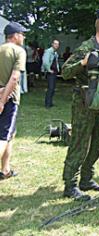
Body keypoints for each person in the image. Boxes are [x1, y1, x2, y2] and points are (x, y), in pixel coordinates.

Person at [61, 9, 99, 201]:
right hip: (83, 103)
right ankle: (70, 185)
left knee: (97, 145)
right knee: (79, 144)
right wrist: (83, 62)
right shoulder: (87, 47)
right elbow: (65, 72)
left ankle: (87, 179)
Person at [0, 22, 28, 180]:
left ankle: (5, 170)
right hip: (9, 99)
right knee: (3, 136)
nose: (23, 37)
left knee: (10, 134)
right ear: (15, 35)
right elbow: (15, 77)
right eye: (22, 34)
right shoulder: (19, 51)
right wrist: (2, 101)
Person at [42, 39, 60, 108]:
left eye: (58, 44)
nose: (56, 45)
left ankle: (50, 102)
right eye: (55, 44)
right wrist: (49, 70)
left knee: (52, 88)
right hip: (50, 72)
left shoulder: (55, 53)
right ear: (52, 44)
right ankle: (47, 104)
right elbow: (45, 62)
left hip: (54, 72)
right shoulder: (49, 51)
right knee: (50, 88)